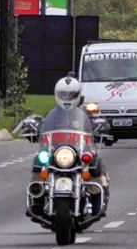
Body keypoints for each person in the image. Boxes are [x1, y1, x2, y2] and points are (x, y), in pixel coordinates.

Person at [27, 77, 109, 217]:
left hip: (79, 152)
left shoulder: (85, 114)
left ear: (78, 95)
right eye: (64, 94)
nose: (67, 98)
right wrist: (34, 127)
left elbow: (96, 124)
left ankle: (98, 201)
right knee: (38, 162)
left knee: (96, 164)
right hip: (56, 153)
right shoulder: (51, 115)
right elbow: (42, 126)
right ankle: (36, 200)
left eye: (71, 95)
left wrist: (101, 126)